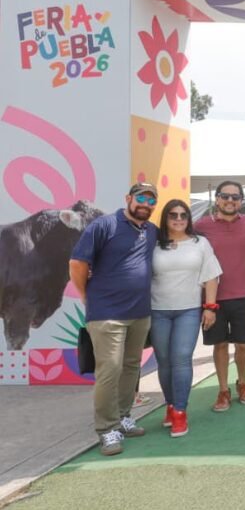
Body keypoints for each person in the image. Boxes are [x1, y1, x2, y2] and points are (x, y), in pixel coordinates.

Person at [69, 183, 159, 456]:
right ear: (128, 198)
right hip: (107, 314)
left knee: (131, 367)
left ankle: (122, 417)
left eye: (151, 200)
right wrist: (86, 295)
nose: (145, 204)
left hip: (140, 313)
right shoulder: (104, 225)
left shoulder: (151, 230)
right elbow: (77, 264)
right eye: (141, 198)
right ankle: (106, 429)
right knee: (110, 370)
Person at [150, 201, 222, 438]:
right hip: (157, 310)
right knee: (164, 361)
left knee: (181, 358)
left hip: (188, 311)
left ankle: (180, 412)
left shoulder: (200, 243)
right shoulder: (153, 244)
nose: (179, 219)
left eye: (183, 215)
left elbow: (211, 276)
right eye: (173, 215)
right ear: (165, 218)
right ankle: (170, 405)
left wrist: (210, 307)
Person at [195, 181, 245, 411]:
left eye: (235, 197)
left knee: (243, 345)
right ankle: (223, 390)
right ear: (217, 199)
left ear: (241, 201)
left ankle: (242, 383)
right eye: (225, 196)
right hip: (213, 299)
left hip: (244, 294)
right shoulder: (201, 226)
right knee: (220, 345)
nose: (230, 201)